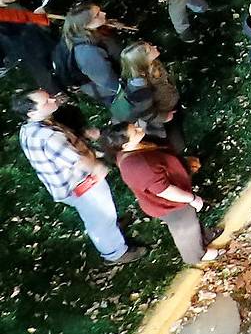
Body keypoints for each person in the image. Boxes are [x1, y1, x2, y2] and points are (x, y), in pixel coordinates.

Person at [16, 88, 139, 264]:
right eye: (47, 101)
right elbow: (77, 160)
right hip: (80, 185)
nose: (53, 100)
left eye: (49, 96)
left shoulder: (34, 126)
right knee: (100, 219)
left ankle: (112, 229)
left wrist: (83, 136)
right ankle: (115, 253)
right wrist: (98, 166)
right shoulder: (48, 137)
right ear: (32, 112)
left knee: (102, 215)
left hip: (70, 183)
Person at [116, 115, 206, 263]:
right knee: (185, 228)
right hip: (170, 205)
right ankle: (195, 256)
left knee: (191, 221)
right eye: (135, 131)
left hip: (170, 199)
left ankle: (203, 237)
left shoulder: (130, 151)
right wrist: (192, 198)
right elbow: (166, 191)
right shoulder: (141, 166)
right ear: (125, 145)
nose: (139, 128)